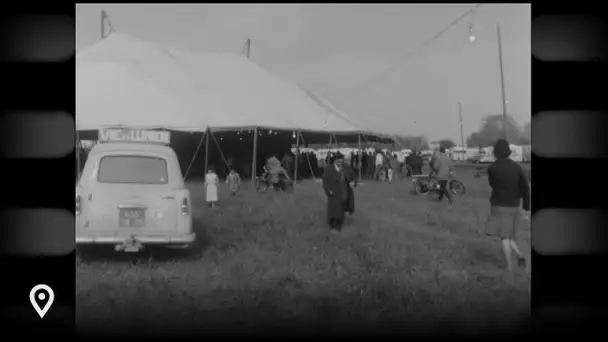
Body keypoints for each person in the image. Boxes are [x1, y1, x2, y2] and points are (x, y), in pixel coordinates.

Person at [484, 139, 530, 275]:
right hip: (514, 205)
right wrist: (526, 207)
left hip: (498, 205)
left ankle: (509, 267)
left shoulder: (492, 168)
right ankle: (520, 256)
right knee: (509, 236)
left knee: (504, 237)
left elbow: (492, 184)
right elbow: (525, 188)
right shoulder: (517, 167)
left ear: (496, 152)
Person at [322, 153, 357, 233]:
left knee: (340, 210)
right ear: (335, 161)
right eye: (338, 161)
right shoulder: (329, 169)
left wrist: (353, 183)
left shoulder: (347, 168)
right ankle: (331, 224)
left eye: (341, 161)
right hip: (333, 192)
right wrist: (328, 190)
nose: (340, 163)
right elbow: (325, 181)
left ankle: (338, 226)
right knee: (332, 209)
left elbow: (353, 178)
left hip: (343, 192)